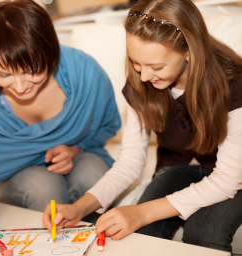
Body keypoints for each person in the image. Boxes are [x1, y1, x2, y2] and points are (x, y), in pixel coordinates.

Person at [43, 0, 242, 253]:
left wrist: (141, 211)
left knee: (204, 231)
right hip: (180, 169)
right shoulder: (142, 81)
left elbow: (227, 179)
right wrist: (79, 208)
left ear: (189, 51)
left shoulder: (234, 86)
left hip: (235, 176)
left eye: (156, 67)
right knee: (138, 233)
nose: (145, 76)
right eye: (136, 63)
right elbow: (130, 162)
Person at [0, 0, 121, 252]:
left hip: (79, 158)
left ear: (51, 52)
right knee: (45, 187)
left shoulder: (85, 73)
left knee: (95, 175)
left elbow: (102, 130)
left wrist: (73, 149)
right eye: (5, 74)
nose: (21, 87)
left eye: (32, 70)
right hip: (17, 179)